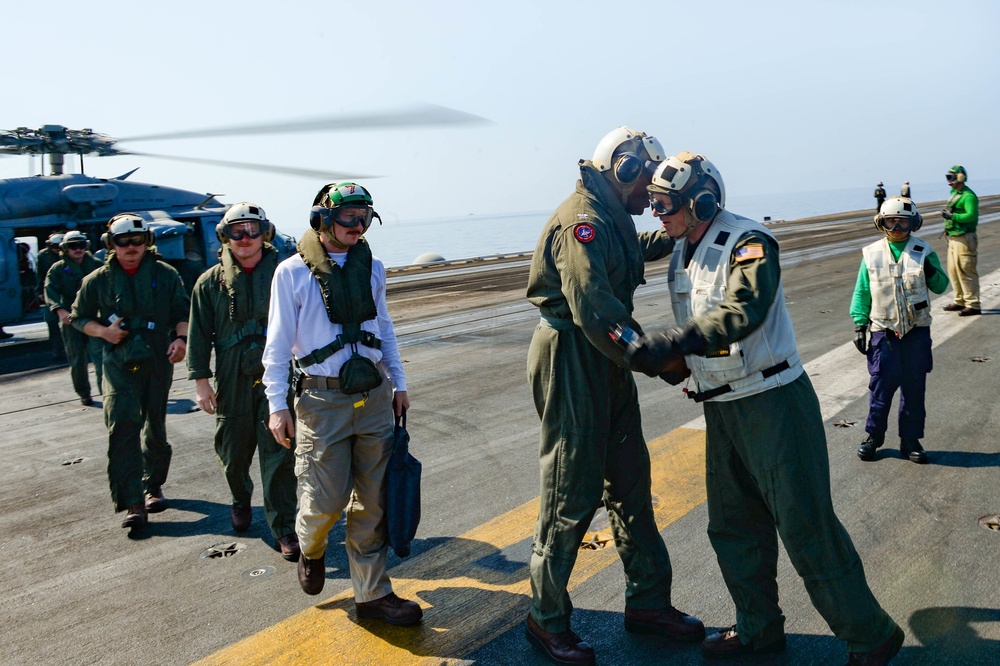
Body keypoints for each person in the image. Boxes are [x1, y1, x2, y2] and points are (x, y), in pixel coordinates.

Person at [630, 152, 905, 664]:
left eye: (664, 204)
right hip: (722, 409)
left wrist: (674, 341)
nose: (656, 214)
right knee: (733, 529)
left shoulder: (749, 242)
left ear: (702, 201)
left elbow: (743, 309)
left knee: (806, 526)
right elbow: (644, 257)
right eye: (652, 203)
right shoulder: (679, 247)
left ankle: (871, 635)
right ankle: (759, 628)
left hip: (773, 405)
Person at [523, 127, 704, 666]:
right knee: (569, 492)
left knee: (629, 481)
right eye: (645, 179)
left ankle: (648, 603)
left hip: (604, 360)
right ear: (621, 170)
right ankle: (546, 617)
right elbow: (596, 310)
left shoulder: (610, 217)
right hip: (575, 356)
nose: (649, 192)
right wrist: (658, 358)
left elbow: (624, 249)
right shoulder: (583, 220)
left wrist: (678, 230)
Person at [262, 182, 421, 626]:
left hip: (373, 398)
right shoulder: (291, 273)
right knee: (326, 502)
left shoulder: (373, 269)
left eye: (365, 217)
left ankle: (372, 595)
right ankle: (310, 547)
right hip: (320, 399)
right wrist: (277, 405)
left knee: (373, 503)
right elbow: (275, 347)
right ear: (322, 220)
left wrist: (400, 381)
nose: (358, 226)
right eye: (349, 217)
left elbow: (384, 327)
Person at [187, 203, 300, 562]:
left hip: (276, 372)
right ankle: (240, 498)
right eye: (237, 231)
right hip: (232, 376)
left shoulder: (286, 274)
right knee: (232, 453)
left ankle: (284, 528)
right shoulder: (210, 282)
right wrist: (201, 381)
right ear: (226, 236)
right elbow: (199, 334)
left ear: (265, 233)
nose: (245, 238)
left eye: (252, 229)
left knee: (279, 453)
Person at [71, 214, 189, 531]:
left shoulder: (166, 275)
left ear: (147, 241)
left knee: (155, 427)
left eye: (137, 240)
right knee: (122, 425)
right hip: (118, 361)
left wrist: (181, 339)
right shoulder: (97, 279)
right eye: (123, 240)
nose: (131, 246)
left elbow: (181, 312)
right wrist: (103, 332)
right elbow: (78, 318)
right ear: (112, 243)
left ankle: (153, 486)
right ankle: (134, 502)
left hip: (157, 357)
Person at [851, 197, 949, 465]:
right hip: (884, 333)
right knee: (880, 388)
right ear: (881, 223)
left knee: (914, 389)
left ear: (913, 223)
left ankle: (910, 440)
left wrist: (931, 270)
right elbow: (862, 292)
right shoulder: (871, 254)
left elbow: (941, 287)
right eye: (890, 221)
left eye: (903, 221)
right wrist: (860, 324)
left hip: (917, 332)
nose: (896, 227)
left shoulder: (924, 250)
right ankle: (874, 436)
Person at [45, 230, 105, 405]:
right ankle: (84, 392)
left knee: (100, 355)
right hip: (71, 319)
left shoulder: (96, 264)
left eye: (80, 245)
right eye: (72, 246)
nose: (77, 249)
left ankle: (107, 391)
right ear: (65, 248)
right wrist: (59, 310)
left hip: (94, 317)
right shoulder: (57, 269)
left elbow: (108, 286)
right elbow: (50, 290)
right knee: (76, 358)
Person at [941, 165, 980, 316]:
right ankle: (960, 300)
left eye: (951, 177)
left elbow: (971, 216)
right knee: (953, 270)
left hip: (965, 238)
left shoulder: (968, 196)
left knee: (966, 270)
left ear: (960, 177)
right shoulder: (955, 193)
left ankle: (973, 303)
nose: (949, 181)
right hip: (953, 237)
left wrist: (953, 217)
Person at [38, 232, 67, 362]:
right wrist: (39, 292)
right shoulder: (43, 256)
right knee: (51, 321)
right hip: (50, 290)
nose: (56, 249)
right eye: (54, 246)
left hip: (67, 291)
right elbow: (39, 275)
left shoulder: (68, 254)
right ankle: (57, 349)